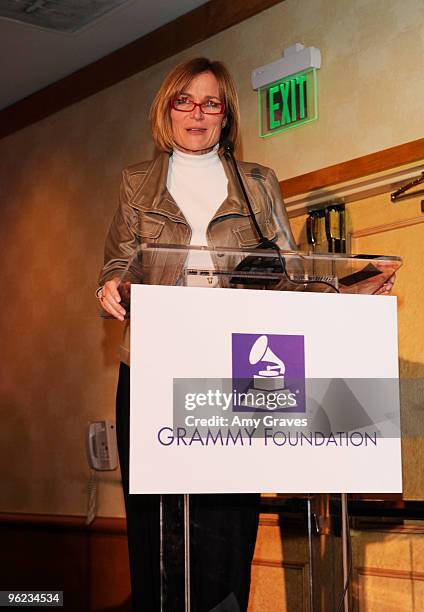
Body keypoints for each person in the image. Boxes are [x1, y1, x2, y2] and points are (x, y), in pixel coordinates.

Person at [97, 57, 394, 611]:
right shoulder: (136, 181)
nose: (197, 113)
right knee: (157, 516)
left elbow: (288, 273)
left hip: (236, 363)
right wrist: (113, 286)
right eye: (184, 100)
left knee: (227, 517)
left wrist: (347, 290)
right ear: (165, 109)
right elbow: (119, 263)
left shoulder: (258, 183)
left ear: (226, 114)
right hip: (153, 363)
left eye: (211, 102)